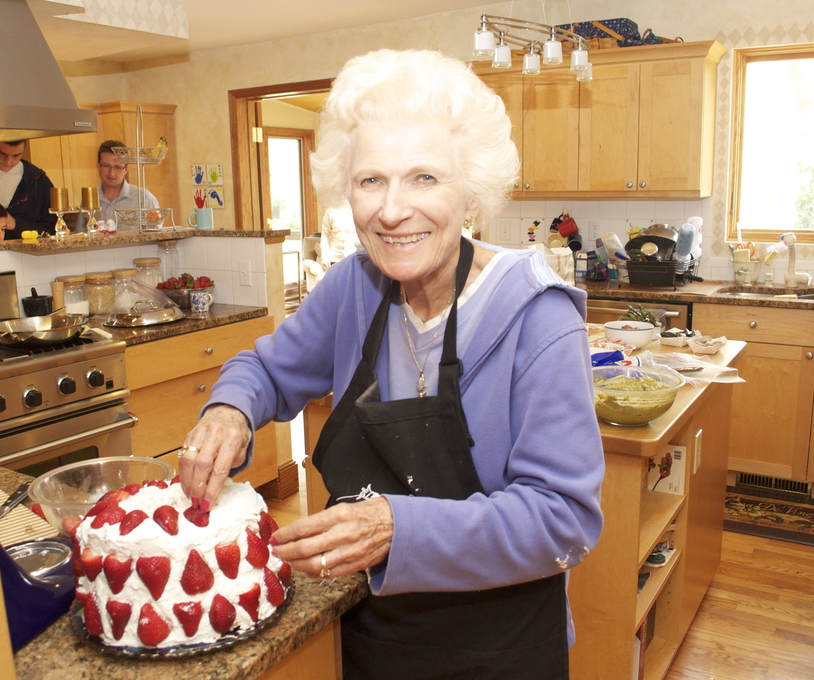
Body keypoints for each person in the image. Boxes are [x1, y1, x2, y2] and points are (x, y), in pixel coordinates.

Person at [178, 49, 604, 678]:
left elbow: (562, 519)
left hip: (500, 646)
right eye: (370, 180)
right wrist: (228, 410)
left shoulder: (537, 318)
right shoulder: (354, 287)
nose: (392, 210)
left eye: (424, 178)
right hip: (370, 630)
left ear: (472, 193)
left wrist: (393, 528)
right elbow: (266, 370)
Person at [96, 140, 159, 223]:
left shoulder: (144, 199)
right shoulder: (90, 200)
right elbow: (80, 233)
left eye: (117, 167)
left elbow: (155, 234)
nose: (111, 173)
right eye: (106, 166)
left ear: (126, 168)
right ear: (98, 166)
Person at [319, 200, 360, 268]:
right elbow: (325, 235)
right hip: (334, 258)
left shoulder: (357, 210)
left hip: (352, 256)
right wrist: (325, 257)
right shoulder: (330, 211)